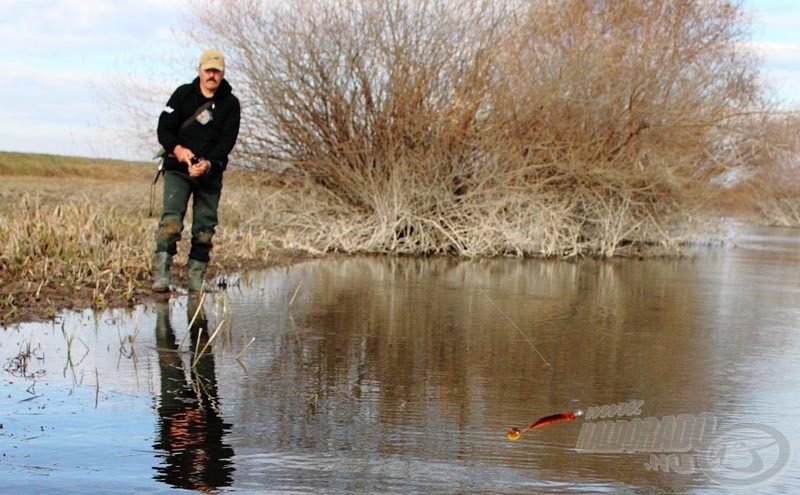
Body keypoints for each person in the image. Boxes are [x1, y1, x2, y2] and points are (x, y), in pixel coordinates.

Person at [152, 49, 241, 293]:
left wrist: (208, 164)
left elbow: (227, 141)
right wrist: (179, 151)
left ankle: (195, 279)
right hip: (178, 169)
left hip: (210, 172)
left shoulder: (231, 104)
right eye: (208, 70)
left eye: (217, 71)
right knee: (170, 223)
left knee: (204, 228)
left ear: (222, 73)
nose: (212, 75)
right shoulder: (183, 94)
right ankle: (162, 275)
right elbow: (164, 129)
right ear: (199, 71)